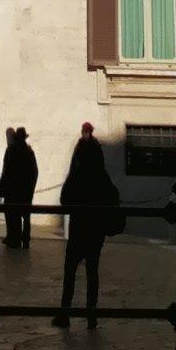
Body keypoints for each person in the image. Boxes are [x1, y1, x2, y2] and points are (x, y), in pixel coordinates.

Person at [56, 123, 122, 324]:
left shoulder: (77, 176)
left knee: (70, 271)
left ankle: (65, 314)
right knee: (92, 272)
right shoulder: (102, 176)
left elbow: (64, 199)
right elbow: (113, 195)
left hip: (79, 228)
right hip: (96, 229)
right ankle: (91, 315)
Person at [0, 125, 39, 255]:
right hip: (25, 190)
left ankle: (13, 238)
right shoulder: (29, 152)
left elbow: (6, 171)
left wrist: (3, 187)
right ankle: (25, 240)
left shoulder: (11, 151)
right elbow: (34, 172)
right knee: (25, 216)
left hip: (13, 189)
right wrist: (31, 187)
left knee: (11, 215)